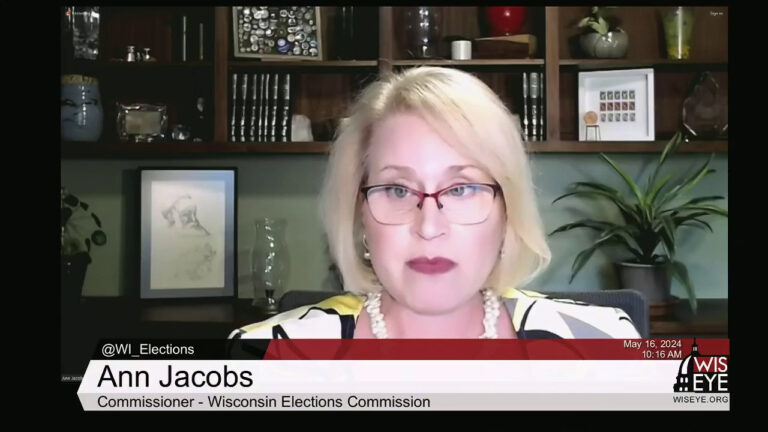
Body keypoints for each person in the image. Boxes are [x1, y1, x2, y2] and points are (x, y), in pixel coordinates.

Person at [230, 67, 640, 340]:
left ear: (506, 211)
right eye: (397, 190)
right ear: (359, 215)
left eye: (461, 189)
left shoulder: (605, 344)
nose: (429, 227)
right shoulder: (265, 359)